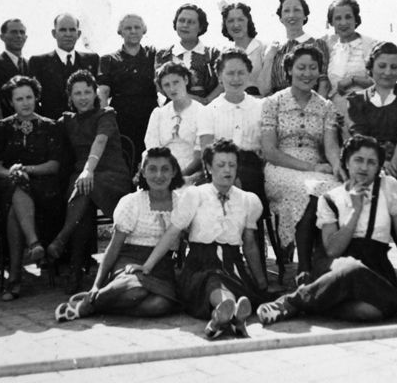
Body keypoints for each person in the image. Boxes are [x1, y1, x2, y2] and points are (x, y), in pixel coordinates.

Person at [256, 135, 397, 325]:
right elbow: (333, 250)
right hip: (336, 266)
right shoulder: (330, 197)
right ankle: (294, 302)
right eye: (358, 160)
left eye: (371, 162)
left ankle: (309, 304)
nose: (364, 167)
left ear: (378, 167)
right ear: (346, 162)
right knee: (352, 268)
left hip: (375, 265)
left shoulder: (389, 187)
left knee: (371, 311)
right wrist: (355, 210)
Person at [133, 140, 269, 339]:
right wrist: (147, 265)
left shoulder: (248, 200)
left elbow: (249, 245)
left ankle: (221, 317)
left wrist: (261, 282)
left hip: (233, 265)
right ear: (208, 167)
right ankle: (232, 314)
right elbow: (172, 232)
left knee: (228, 281)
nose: (227, 170)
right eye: (220, 165)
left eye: (232, 165)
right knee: (213, 279)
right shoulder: (195, 195)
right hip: (199, 264)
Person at [54, 147, 183, 321]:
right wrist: (96, 284)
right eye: (152, 169)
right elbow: (113, 247)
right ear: (143, 172)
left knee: (159, 305)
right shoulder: (132, 202)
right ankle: (88, 302)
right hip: (130, 260)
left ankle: (98, 303)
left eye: (165, 169)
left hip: (162, 265)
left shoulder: (182, 203)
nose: (159, 175)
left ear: (174, 172)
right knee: (136, 291)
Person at [48, 70, 133, 293]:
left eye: (87, 92)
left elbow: (100, 141)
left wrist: (88, 170)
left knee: (84, 187)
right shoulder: (67, 121)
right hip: (83, 179)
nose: (83, 97)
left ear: (95, 93)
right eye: (77, 93)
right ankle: (75, 268)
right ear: (70, 96)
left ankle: (65, 247)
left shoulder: (106, 114)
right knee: (83, 200)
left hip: (111, 176)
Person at [347, 41, 397, 290]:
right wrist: (376, 165)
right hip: (368, 163)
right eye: (382, 66)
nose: (387, 72)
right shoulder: (358, 100)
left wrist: (392, 167)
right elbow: (359, 138)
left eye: (394, 67)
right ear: (371, 68)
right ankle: (371, 265)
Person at [261, 45, 340, 279]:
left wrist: (338, 167)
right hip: (281, 168)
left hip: (318, 169)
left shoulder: (326, 106)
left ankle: (323, 264)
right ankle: (304, 268)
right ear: (289, 70)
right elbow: (269, 151)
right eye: (301, 68)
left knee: (332, 191)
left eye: (313, 68)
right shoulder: (273, 103)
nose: (307, 74)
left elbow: (331, 147)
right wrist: (311, 168)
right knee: (309, 192)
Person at [199, 49, 275, 266]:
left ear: (249, 74)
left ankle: (255, 259)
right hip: (217, 167)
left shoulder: (261, 107)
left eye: (241, 73)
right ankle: (223, 259)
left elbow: (267, 147)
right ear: (220, 76)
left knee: (247, 184)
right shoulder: (209, 110)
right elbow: (206, 150)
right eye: (230, 73)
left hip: (253, 167)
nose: (235, 79)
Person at [0, 75, 62, 301]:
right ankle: (33, 243)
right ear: (11, 102)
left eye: (29, 97)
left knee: (15, 205)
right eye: (19, 99)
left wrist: (26, 170)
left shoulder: (50, 126)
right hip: (9, 184)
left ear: (36, 97)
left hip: (42, 188)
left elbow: (54, 165)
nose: (25, 103)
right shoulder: (2, 127)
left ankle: (15, 278)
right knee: (16, 188)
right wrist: (13, 173)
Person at [97, 14, 158, 169]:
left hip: (150, 116)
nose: (133, 31)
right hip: (122, 118)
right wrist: (106, 120)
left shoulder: (153, 55)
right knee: (126, 159)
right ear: (120, 32)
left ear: (144, 30)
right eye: (128, 28)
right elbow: (103, 92)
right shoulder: (108, 59)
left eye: (137, 27)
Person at [28, 13, 100, 121]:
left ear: (78, 34)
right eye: (62, 30)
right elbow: (33, 100)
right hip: (52, 124)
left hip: (86, 125)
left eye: (72, 30)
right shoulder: (38, 62)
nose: (68, 34)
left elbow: (97, 97)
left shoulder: (92, 60)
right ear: (54, 33)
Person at [144, 61, 206, 182]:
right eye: (166, 85)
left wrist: (178, 178)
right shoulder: (158, 114)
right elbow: (152, 151)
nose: (172, 88)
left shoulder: (202, 112)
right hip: (161, 173)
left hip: (191, 175)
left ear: (186, 80)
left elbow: (199, 157)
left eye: (176, 82)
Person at [259, 0, 330, 97]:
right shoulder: (274, 49)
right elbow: (263, 90)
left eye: (297, 10)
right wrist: (269, 58)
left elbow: (324, 85)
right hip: (279, 103)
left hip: (309, 102)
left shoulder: (317, 44)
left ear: (305, 15)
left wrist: (316, 106)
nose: (291, 15)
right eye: (286, 11)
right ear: (281, 18)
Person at [156, 3, 222, 104]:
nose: (185, 25)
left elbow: (223, 82)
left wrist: (206, 100)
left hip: (206, 109)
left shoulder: (213, 54)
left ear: (200, 27)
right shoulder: (163, 55)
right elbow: (158, 85)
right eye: (181, 20)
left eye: (191, 22)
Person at [323, 0, 375, 116]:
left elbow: (382, 83)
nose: (343, 23)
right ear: (331, 22)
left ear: (356, 19)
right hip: (336, 114)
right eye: (338, 18)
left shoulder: (370, 45)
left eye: (348, 17)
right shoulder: (330, 48)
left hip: (366, 112)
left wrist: (353, 80)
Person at [220, 2, 266, 94]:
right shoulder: (225, 53)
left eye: (240, 19)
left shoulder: (263, 48)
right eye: (230, 21)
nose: (236, 25)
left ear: (248, 21)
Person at [0, 19, 28, 118]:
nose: (19, 36)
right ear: (2, 37)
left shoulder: (31, 64)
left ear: (26, 37)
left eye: (22, 32)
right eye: (14, 32)